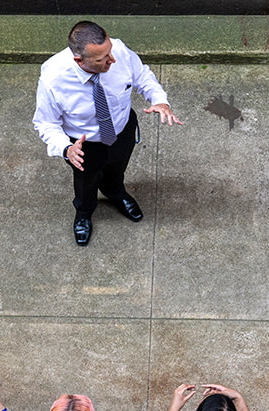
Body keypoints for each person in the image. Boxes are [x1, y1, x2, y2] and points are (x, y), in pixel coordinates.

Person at [33, 20, 183, 246]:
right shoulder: (53, 79)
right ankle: (84, 212)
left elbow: (141, 76)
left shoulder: (118, 51)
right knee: (86, 183)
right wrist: (66, 148)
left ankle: (115, 192)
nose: (112, 60)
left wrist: (160, 101)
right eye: (102, 59)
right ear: (79, 60)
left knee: (117, 168)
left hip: (121, 131)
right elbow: (45, 123)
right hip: (84, 145)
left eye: (110, 52)